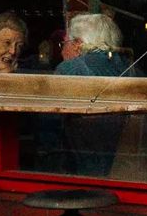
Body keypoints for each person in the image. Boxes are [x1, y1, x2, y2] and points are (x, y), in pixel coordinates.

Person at [55, 12, 129, 176]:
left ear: (77, 44)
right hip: (126, 166)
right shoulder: (131, 68)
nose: (61, 52)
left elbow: (52, 127)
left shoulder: (69, 70)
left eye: (64, 44)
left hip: (84, 167)